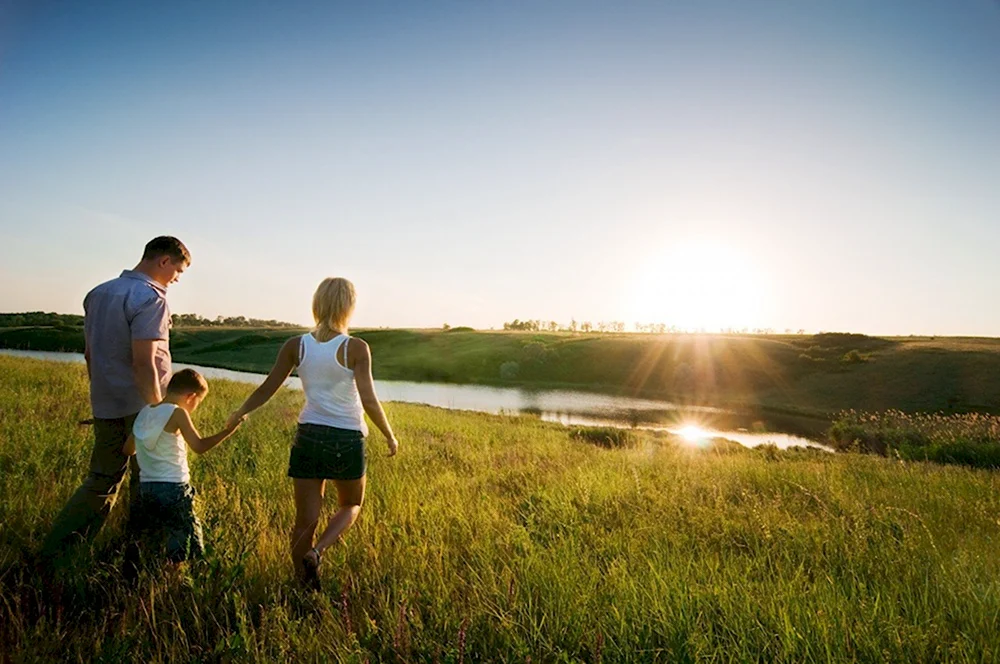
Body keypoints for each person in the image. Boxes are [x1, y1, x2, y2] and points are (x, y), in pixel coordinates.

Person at [228, 277, 399, 590]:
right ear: (349, 307)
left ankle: (301, 584)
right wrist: (388, 433)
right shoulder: (355, 348)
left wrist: (241, 411)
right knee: (351, 505)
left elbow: (268, 387)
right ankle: (318, 551)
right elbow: (369, 399)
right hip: (346, 437)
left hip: (308, 435)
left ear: (317, 304)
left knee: (304, 519)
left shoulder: (296, 345)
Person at [41, 236, 190, 560]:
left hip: (106, 400)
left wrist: (100, 395)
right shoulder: (151, 297)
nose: (176, 279)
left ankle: (59, 551)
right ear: (164, 261)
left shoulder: (98, 293)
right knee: (149, 481)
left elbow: (90, 352)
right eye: (177, 271)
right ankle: (138, 557)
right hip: (142, 405)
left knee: (101, 479)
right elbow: (145, 361)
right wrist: (156, 412)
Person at [123, 369, 244, 563]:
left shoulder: (145, 412)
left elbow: (128, 450)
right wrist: (229, 431)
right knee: (183, 543)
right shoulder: (178, 413)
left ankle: (151, 578)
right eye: (199, 402)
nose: (196, 406)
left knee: (154, 540)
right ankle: (177, 581)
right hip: (174, 488)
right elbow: (199, 446)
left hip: (146, 487)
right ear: (191, 397)